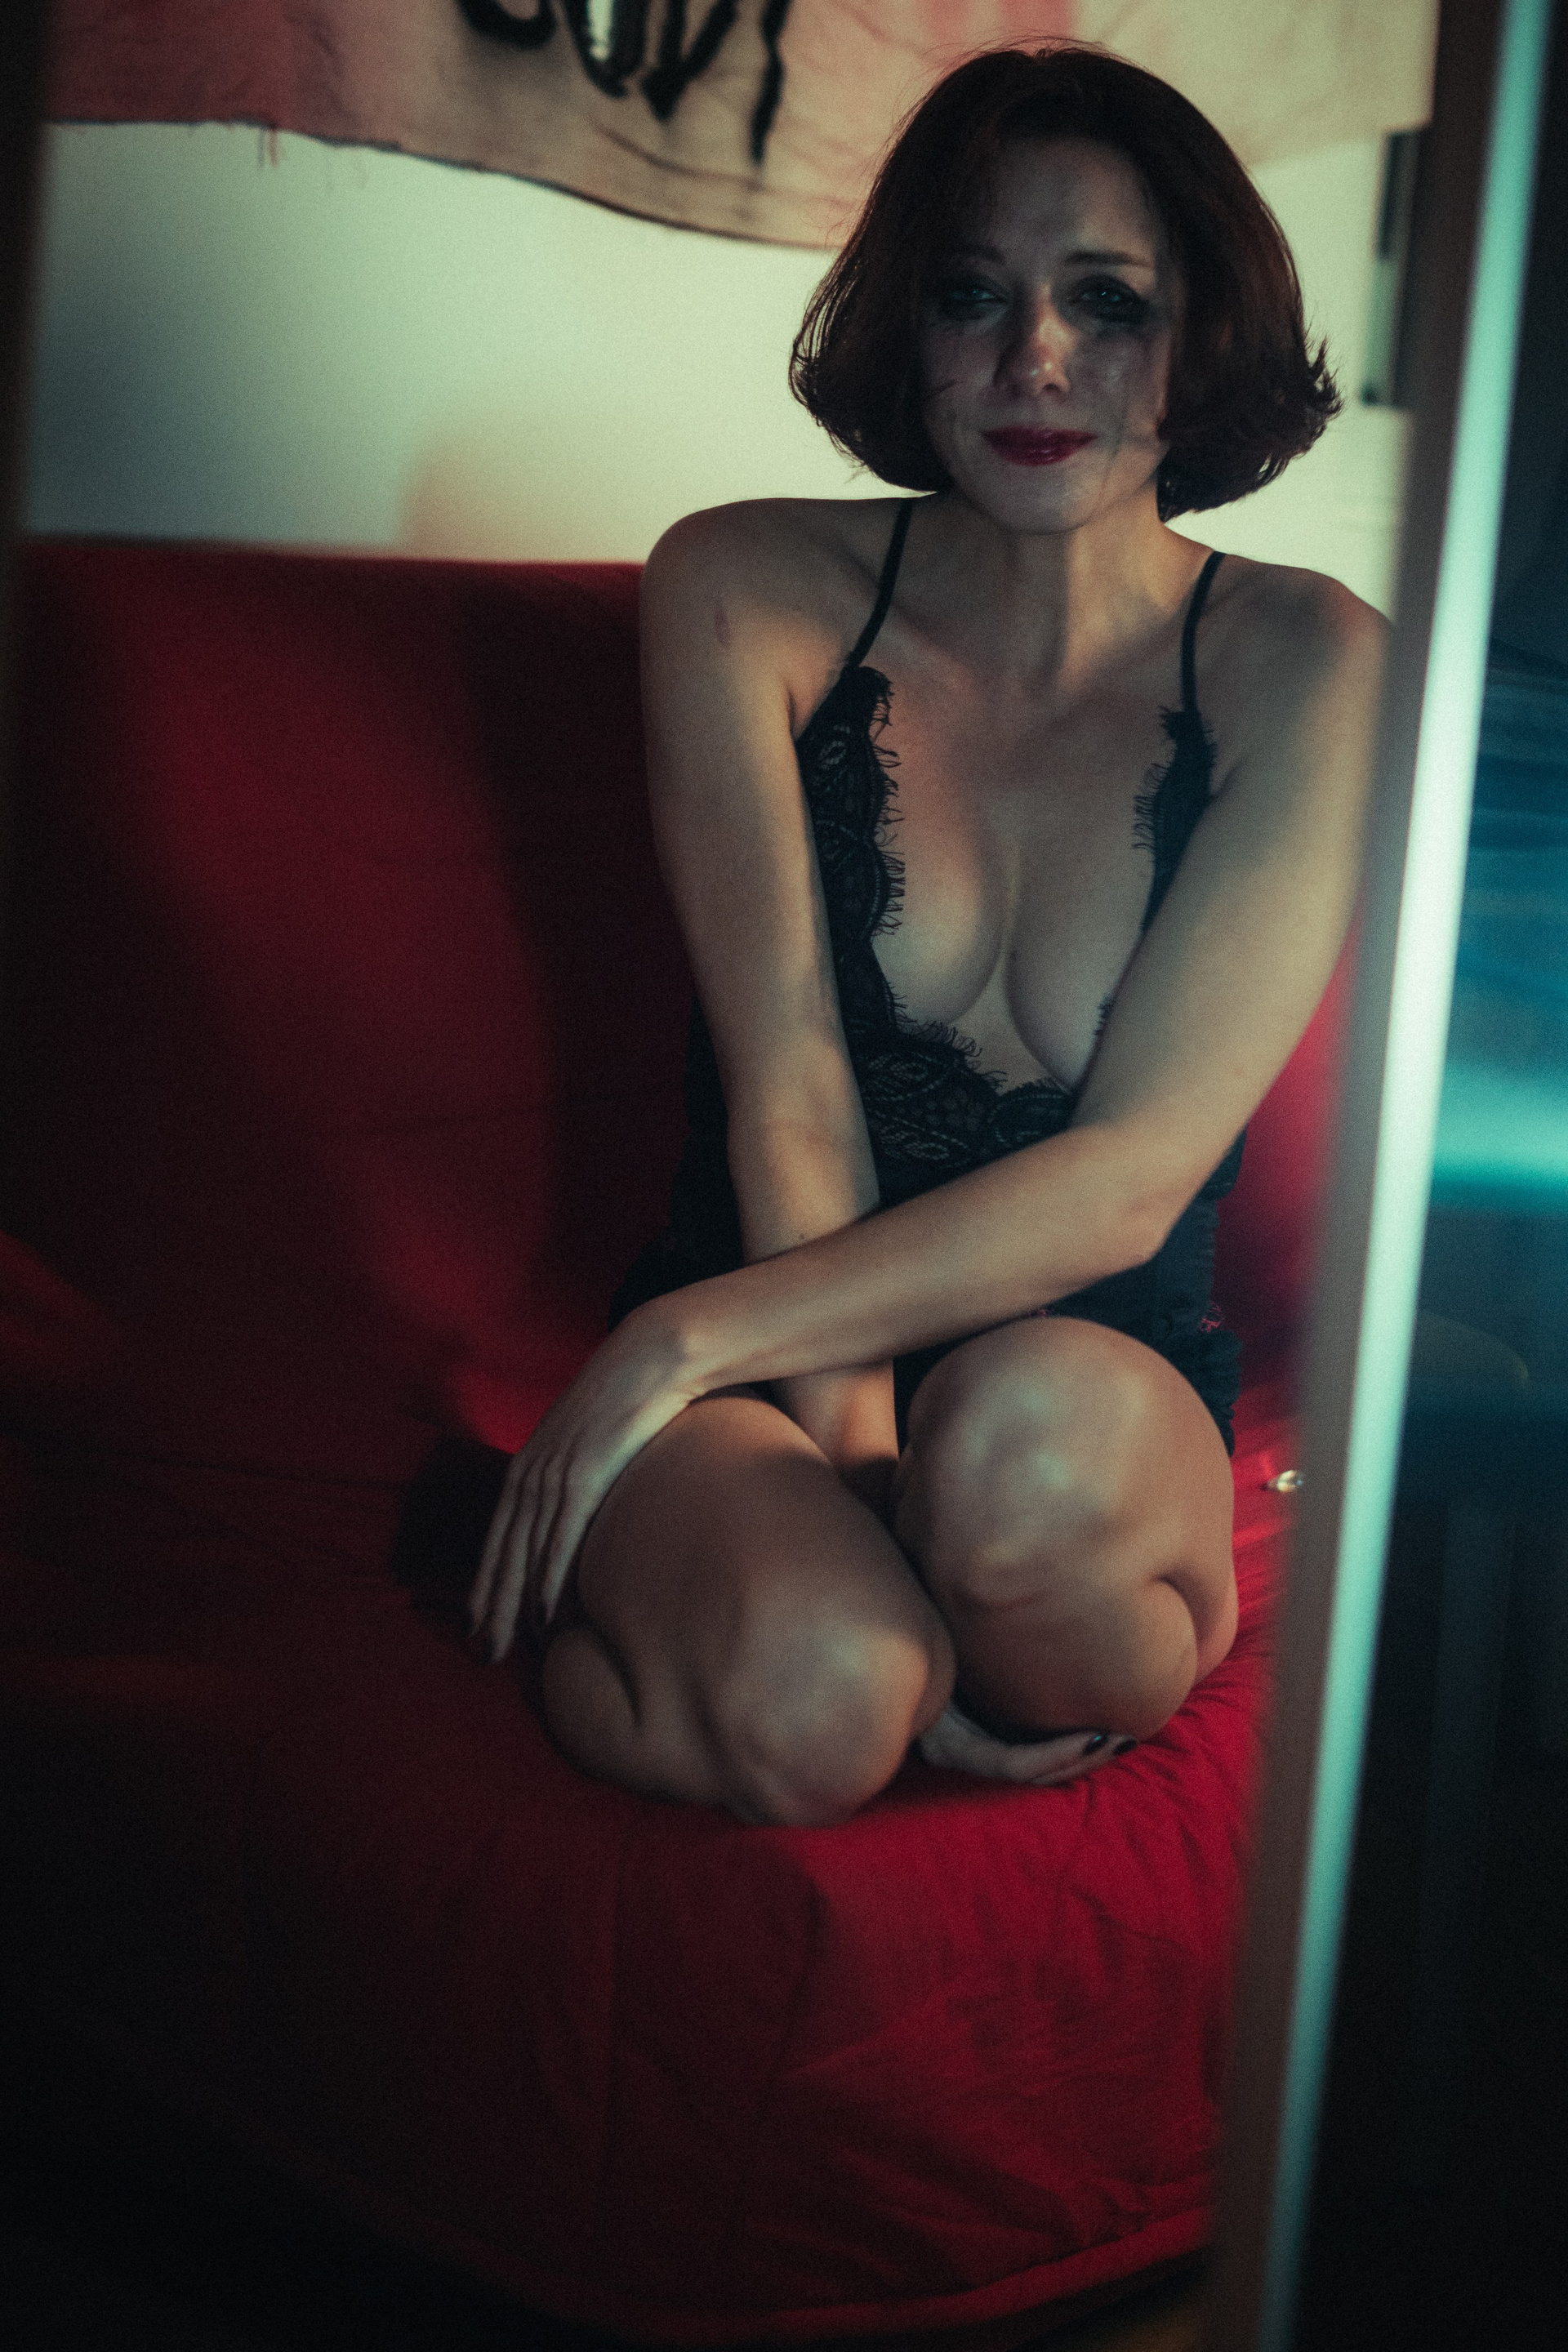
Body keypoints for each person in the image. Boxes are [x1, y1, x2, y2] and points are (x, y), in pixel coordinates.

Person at [468, 42, 1384, 1826]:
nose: (1036, 358)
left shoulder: (1314, 664)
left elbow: (1132, 1181)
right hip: (764, 1337)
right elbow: (792, 1090)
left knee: (1018, 1476)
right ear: (911, 325)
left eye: (1106, 300)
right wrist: (843, 1490)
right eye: (975, 295)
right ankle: (701, 1617)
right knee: (823, 1700)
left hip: (1091, 1395)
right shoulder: (741, 588)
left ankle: (911, 1579)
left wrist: (674, 1347)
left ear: (1200, 335)